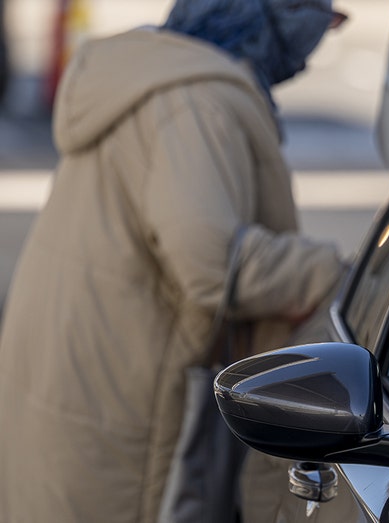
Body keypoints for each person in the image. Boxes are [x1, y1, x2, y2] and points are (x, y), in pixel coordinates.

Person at [0, 0, 349, 521]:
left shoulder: (163, 74)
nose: (322, 34)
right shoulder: (194, 100)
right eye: (314, 14)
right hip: (121, 413)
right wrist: (340, 271)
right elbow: (210, 266)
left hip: (81, 385)